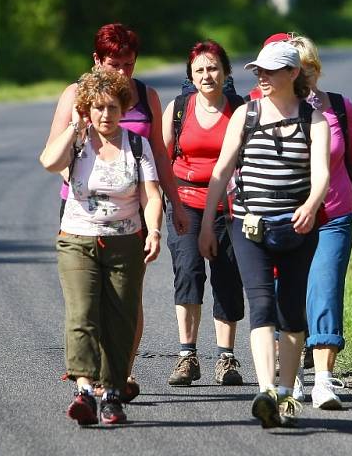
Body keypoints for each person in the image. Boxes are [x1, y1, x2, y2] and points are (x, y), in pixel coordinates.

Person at [43, 22, 187, 402]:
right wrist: (85, 164)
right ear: (97, 60)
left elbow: (158, 152)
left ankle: (121, 371)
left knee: (127, 299)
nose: (122, 72)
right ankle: (92, 380)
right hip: (83, 206)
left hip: (134, 202)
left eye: (128, 63)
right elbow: (54, 156)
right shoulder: (76, 94)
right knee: (87, 300)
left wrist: (175, 203)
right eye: (114, 63)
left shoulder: (146, 96)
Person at [198, 40, 330, 429]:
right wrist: (208, 222)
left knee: (291, 309)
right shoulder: (246, 114)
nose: (261, 77)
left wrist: (311, 204)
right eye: (258, 70)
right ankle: (267, 390)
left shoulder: (313, 119)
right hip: (248, 223)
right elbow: (222, 171)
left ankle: (287, 394)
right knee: (260, 303)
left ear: (293, 74)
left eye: (270, 71)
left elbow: (321, 171)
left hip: (297, 225)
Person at [39, 68, 163, 425]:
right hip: (77, 239)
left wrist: (153, 230)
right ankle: (83, 389)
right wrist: (75, 127)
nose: (105, 115)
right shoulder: (76, 141)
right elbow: (49, 163)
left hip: (126, 241)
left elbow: (151, 196)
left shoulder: (135, 145)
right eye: (97, 108)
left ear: (123, 108)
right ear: (87, 109)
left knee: (120, 318)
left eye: (112, 107)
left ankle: (111, 392)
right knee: (82, 313)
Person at [288, 34, 352, 409]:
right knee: (285, 295)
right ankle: (291, 377)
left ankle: (323, 380)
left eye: (304, 69)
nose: (299, 77)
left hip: (332, 216)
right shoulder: (268, 108)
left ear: (315, 70)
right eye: (291, 70)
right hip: (284, 217)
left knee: (325, 291)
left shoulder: (339, 106)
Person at [161, 40, 245, 387]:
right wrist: (161, 205)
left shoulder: (240, 109)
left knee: (228, 277)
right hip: (186, 202)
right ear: (190, 76)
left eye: (213, 68)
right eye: (199, 70)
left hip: (231, 206)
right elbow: (162, 160)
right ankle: (187, 356)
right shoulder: (179, 108)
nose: (207, 75)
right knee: (189, 273)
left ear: (225, 72)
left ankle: (226, 359)